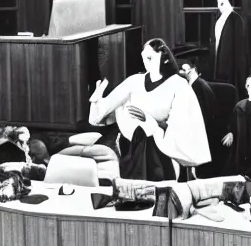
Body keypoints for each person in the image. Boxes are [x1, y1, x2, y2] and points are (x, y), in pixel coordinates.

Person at [89, 38, 211, 182]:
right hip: (133, 143)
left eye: (150, 58)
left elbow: (182, 125)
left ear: (163, 57)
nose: (146, 63)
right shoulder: (135, 81)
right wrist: (96, 100)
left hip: (163, 148)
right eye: (144, 58)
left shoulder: (178, 85)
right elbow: (104, 108)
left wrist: (154, 125)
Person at [179, 62, 221, 177]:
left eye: (183, 69)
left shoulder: (200, 86)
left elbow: (207, 113)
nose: (181, 72)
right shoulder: (193, 85)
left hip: (203, 131)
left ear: (192, 70)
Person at [210, 0, 251, 90]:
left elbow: (240, 45)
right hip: (221, 59)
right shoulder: (220, 19)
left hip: (232, 61)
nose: (219, 6)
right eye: (218, 4)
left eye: (222, 3)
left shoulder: (235, 19)